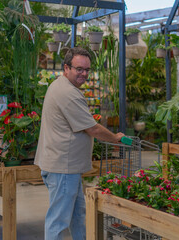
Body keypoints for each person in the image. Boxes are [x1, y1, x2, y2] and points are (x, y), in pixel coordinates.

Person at [34, 47, 125, 240]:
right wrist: (116, 138)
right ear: (66, 68)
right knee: (58, 221)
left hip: (67, 167)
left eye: (87, 70)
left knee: (78, 215)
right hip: (63, 168)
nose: (84, 74)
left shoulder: (61, 85)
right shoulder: (68, 93)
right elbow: (92, 128)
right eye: (79, 69)